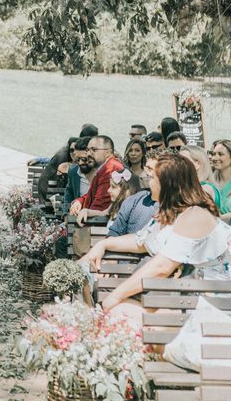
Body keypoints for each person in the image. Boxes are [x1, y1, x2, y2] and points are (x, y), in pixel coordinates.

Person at [84, 154, 230, 322]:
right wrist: (103, 244)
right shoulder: (171, 213)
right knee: (113, 310)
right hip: (180, 296)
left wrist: (116, 295)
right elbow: (140, 241)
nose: (148, 180)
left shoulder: (194, 215)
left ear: (167, 183)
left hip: (213, 303)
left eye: (153, 177)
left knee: (117, 312)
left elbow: (162, 267)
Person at [69, 135, 124, 224]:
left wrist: (85, 212)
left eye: (94, 150)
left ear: (108, 152)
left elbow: (100, 206)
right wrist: (79, 201)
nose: (89, 154)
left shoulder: (110, 169)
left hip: (99, 227)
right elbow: (93, 194)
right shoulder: (104, 167)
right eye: (88, 150)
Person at [107, 152, 162, 237]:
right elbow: (114, 233)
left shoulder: (180, 208)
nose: (145, 173)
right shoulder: (133, 201)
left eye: (150, 169)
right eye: (145, 168)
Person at [62, 136, 95, 214]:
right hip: (78, 213)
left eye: (84, 159)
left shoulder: (103, 172)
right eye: (77, 160)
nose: (80, 163)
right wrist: (65, 214)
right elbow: (69, 193)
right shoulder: (74, 171)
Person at [210, 139, 231, 223]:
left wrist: (218, 219)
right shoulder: (209, 180)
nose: (215, 158)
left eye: (220, 154)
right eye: (214, 154)